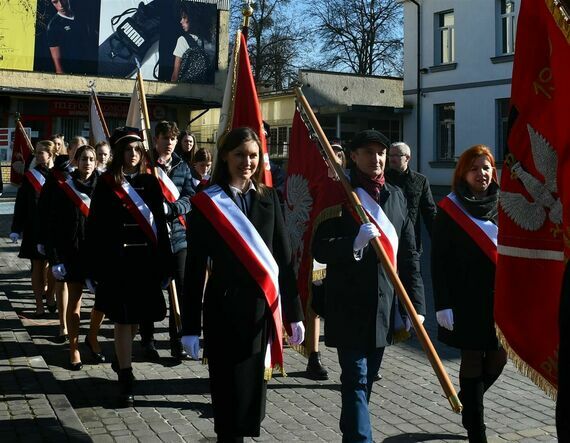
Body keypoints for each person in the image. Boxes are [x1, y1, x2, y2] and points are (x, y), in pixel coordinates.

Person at [181, 127, 305, 441]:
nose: (246, 162)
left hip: (261, 315)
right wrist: (191, 327)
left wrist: (295, 312)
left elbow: (284, 260)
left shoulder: (269, 198)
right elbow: (194, 270)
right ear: (225, 156)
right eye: (239, 155)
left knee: (251, 402)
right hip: (224, 312)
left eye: (252, 155)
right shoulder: (206, 203)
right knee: (227, 402)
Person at [312, 129, 425, 442]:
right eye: (369, 152)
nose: (376, 159)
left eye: (381, 153)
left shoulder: (397, 196)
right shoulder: (339, 193)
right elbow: (318, 249)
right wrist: (353, 244)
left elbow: (409, 257)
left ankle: (352, 432)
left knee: (366, 380)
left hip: (383, 307)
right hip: (347, 304)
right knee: (356, 377)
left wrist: (417, 306)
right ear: (354, 156)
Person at [86, 127, 171, 406]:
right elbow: (94, 228)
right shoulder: (107, 183)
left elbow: (160, 225)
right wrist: (93, 267)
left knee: (134, 321)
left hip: (144, 265)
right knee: (122, 321)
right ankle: (126, 376)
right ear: (119, 153)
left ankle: (121, 360)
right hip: (117, 265)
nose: (133, 154)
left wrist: (165, 264)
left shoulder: (151, 182)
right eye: (127, 149)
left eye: (137, 149)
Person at [432, 145, 507, 442]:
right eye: (475, 168)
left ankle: (467, 398)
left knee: (499, 358)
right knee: (473, 358)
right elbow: (438, 261)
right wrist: (443, 303)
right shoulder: (450, 208)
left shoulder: (503, 204)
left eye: (486, 167)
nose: (482, 173)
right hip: (465, 297)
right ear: (463, 173)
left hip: (500, 297)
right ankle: (478, 430)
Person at [139, 121, 195, 361]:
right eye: (165, 138)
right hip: (152, 236)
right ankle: (148, 340)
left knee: (181, 289)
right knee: (149, 288)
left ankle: (177, 340)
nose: (170, 143)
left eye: (173, 139)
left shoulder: (183, 166)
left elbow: (190, 197)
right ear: (156, 140)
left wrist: (172, 208)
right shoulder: (145, 164)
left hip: (179, 236)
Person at [47, 145, 105, 370]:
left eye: (91, 159)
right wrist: (56, 258)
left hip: (99, 255)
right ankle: (74, 348)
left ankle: (92, 336)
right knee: (75, 304)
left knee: (102, 303)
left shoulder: (105, 187)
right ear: (76, 161)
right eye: (83, 159)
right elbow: (53, 225)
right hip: (74, 253)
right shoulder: (64, 189)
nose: (88, 163)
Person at [305, 138, 347, 381]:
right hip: (319, 255)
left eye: (338, 154)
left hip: (344, 254)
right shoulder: (316, 182)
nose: (333, 158)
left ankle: (349, 357)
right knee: (316, 304)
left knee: (340, 304)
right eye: (329, 154)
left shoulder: (350, 184)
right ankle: (314, 356)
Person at [10, 141, 57, 317]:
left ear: (51, 155)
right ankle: (39, 305)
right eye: (36, 153)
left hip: (53, 230)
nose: (36, 156)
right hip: (33, 229)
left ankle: (50, 295)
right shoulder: (30, 177)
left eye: (40, 153)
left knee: (53, 266)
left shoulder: (59, 176)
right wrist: (16, 228)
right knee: (37, 267)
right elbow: (20, 204)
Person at [386, 142, 437, 254]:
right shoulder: (383, 179)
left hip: (412, 242)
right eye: (390, 155)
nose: (391, 159)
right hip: (388, 240)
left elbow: (429, 213)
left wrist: (438, 239)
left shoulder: (420, 181)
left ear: (407, 158)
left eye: (396, 155)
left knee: (413, 271)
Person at [46, 0, 96, 74]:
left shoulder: (81, 14)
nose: (61, 5)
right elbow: (58, 68)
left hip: (89, 65)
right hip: (72, 71)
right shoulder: (53, 26)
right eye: (55, 2)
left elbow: (91, 37)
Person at [171, 2, 210, 83]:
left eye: (184, 17)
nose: (181, 21)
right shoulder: (205, 42)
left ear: (192, 19)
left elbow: (175, 75)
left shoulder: (182, 40)